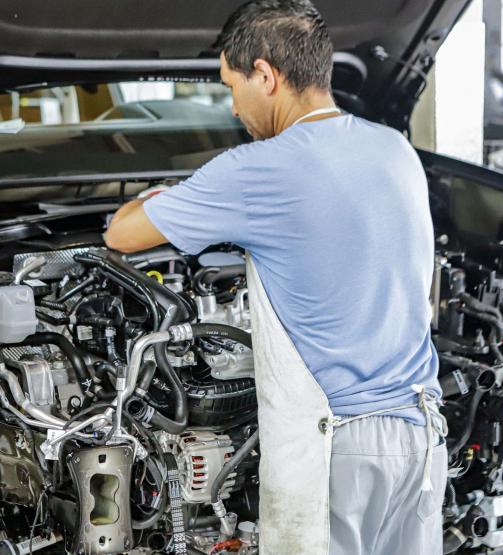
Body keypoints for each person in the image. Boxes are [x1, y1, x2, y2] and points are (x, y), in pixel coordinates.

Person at [104, 1, 448, 553]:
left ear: (265, 75)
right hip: (421, 437)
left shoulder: (256, 169)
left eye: (231, 85)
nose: (233, 106)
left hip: (337, 451)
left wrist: (167, 193)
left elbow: (121, 234)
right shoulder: (394, 149)